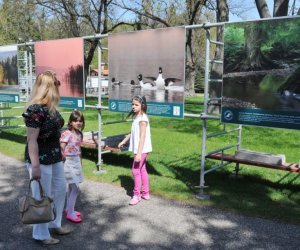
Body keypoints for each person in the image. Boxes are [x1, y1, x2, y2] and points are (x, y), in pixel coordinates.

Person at [22, 71, 71, 245]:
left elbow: (54, 133)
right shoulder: (35, 110)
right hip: (40, 160)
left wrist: (60, 151)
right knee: (42, 196)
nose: (59, 87)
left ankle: (54, 223)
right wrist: (35, 165)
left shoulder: (51, 108)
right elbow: (32, 140)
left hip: (54, 156)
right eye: (56, 84)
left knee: (59, 191)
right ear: (49, 88)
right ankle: (41, 234)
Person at [118, 95, 152, 205]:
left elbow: (142, 136)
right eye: (132, 104)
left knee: (135, 171)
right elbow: (132, 132)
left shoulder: (143, 119)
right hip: (141, 150)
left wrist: (138, 153)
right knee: (142, 170)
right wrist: (124, 141)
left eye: (136, 105)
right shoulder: (137, 117)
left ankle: (136, 195)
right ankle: (145, 193)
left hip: (141, 150)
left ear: (142, 106)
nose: (133, 106)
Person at [60, 109, 85, 223]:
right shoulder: (66, 133)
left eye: (80, 121)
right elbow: (62, 147)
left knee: (71, 187)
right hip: (68, 162)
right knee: (75, 188)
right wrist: (62, 156)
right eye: (76, 121)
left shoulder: (79, 134)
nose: (78, 123)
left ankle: (68, 209)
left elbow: (78, 149)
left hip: (75, 161)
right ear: (70, 122)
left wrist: (80, 162)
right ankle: (70, 213)